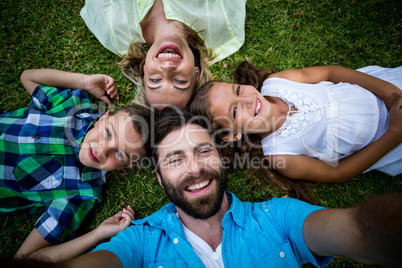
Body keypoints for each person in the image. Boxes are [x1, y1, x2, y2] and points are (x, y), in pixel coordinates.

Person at [10, 110, 402, 267]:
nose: (195, 169)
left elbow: (355, 230)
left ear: (223, 158)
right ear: (160, 179)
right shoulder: (142, 243)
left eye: (203, 152)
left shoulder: (279, 216)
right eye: (175, 159)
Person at [0, 69, 153, 260]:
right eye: (108, 133)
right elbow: (27, 77)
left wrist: (98, 234)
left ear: (125, 166)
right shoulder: (75, 106)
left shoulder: (82, 192)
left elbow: (26, 258)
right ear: (102, 119)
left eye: (119, 153)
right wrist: (86, 81)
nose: (102, 149)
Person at [190, 62, 402, 185]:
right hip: (389, 141)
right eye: (235, 111)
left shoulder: (277, 82)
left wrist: (390, 94)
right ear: (232, 135)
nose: (246, 100)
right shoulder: (279, 154)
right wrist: (394, 133)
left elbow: (331, 72)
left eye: (237, 90)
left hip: (385, 89)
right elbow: (336, 173)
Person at [80, 0, 246, 109]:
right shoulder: (221, 25)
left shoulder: (114, 31)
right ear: (195, 74)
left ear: (144, 71)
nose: (167, 67)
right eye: (180, 81)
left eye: (155, 79)